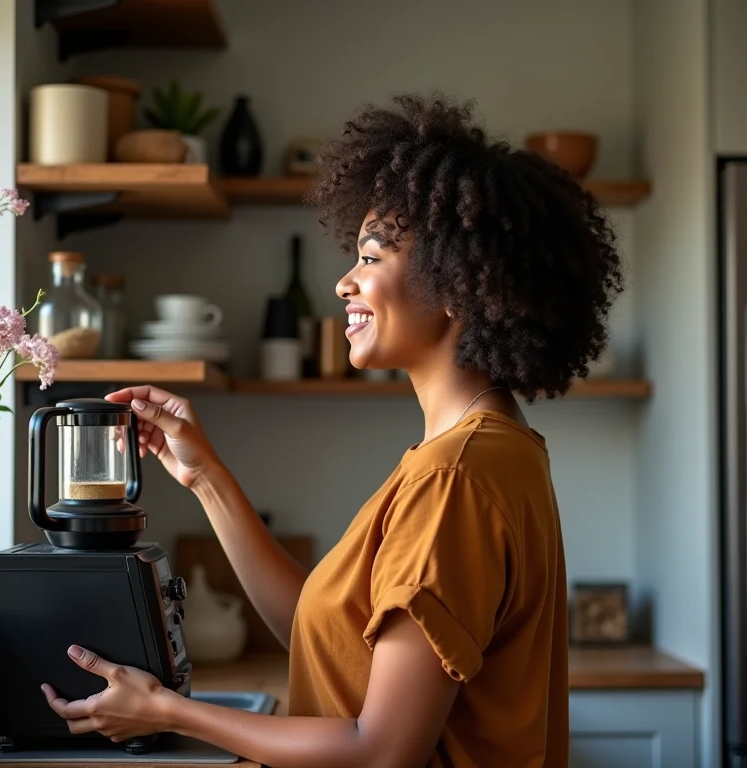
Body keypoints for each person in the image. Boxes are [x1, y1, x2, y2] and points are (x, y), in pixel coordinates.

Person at [42, 93, 623, 767]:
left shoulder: (455, 479)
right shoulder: (491, 452)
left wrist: (166, 711)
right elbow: (325, 639)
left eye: (373, 258)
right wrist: (207, 478)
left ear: (457, 284)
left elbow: (380, 750)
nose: (345, 282)